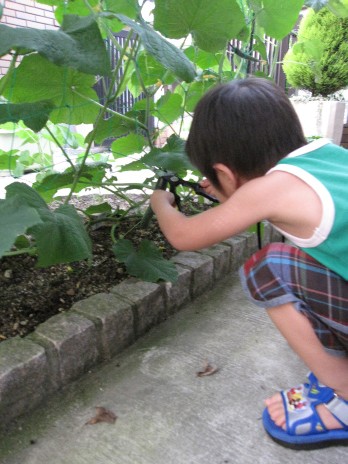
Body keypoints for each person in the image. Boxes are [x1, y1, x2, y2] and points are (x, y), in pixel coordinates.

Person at [150, 77, 348, 450]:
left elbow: (183, 236)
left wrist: (160, 204)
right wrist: (233, 194)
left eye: (214, 177)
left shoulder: (264, 191)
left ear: (223, 173)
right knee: (306, 259)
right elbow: (264, 198)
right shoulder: (329, 154)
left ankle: (344, 391)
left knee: (266, 268)